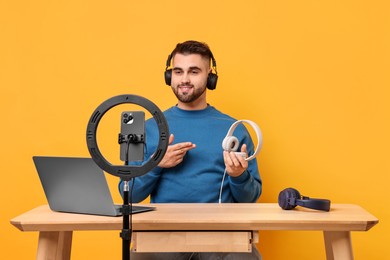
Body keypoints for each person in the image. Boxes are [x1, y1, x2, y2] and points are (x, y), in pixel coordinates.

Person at [119, 40, 262, 259]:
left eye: (194, 71)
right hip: (161, 239)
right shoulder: (146, 127)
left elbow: (250, 199)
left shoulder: (234, 129)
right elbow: (129, 194)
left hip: (221, 239)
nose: (184, 79)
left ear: (210, 77)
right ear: (170, 77)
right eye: (178, 71)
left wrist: (238, 176)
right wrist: (157, 164)